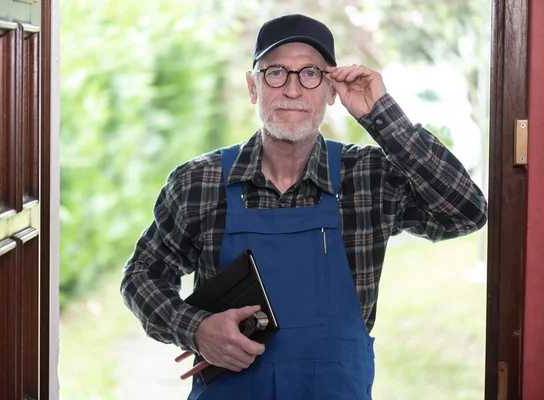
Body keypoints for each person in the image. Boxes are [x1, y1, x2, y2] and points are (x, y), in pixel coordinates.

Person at [120, 13, 488, 400]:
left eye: (310, 73)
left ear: (331, 90)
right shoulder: (199, 182)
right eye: (276, 73)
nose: (293, 90)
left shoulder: (369, 178)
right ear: (252, 86)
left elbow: (465, 211)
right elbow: (142, 274)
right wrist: (194, 328)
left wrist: (382, 115)